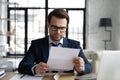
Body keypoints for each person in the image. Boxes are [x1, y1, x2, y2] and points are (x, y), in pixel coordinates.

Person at [18, 8, 92, 76]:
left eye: (62, 28)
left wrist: (82, 68)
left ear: (66, 27)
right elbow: (22, 66)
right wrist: (35, 68)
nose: (58, 32)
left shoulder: (75, 45)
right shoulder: (36, 44)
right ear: (48, 25)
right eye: (54, 27)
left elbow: (89, 66)